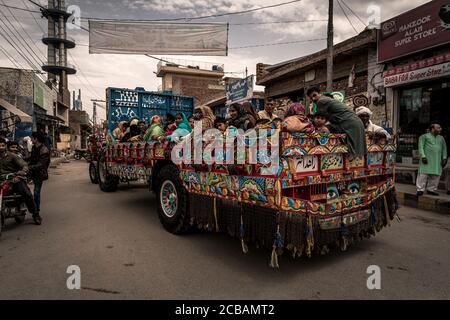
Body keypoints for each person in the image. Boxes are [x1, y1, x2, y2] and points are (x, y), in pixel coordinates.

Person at [307, 86, 366, 156]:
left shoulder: (321, 101)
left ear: (320, 93)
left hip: (349, 123)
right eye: (311, 98)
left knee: (324, 129)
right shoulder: (327, 99)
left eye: (314, 95)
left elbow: (319, 119)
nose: (313, 99)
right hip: (355, 123)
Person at [0, 137, 41, 224]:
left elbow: (24, 164)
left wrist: (22, 171)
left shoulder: (12, 156)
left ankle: (35, 214)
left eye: (2, 146)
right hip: (1, 180)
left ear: (6, 146)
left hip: (14, 179)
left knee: (27, 193)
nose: (1, 148)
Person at [416, 124, 448, 196]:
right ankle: (420, 189)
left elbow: (444, 148)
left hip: (437, 160)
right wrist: (423, 156)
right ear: (433, 129)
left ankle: (431, 189)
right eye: (438, 128)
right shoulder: (424, 136)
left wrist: (444, 158)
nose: (441, 129)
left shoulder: (441, 138)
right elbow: (421, 147)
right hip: (426, 159)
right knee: (423, 174)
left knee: (435, 175)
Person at [26, 132, 50, 224]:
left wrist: (28, 167)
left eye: (32, 138)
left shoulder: (44, 150)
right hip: (31, 172)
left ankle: (36, 213)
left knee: (36, 193)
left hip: (39, 174)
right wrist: (21, 159)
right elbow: (31, 158)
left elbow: (41, 165)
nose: (31, 140)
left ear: (36, 139)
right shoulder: (34, 147)